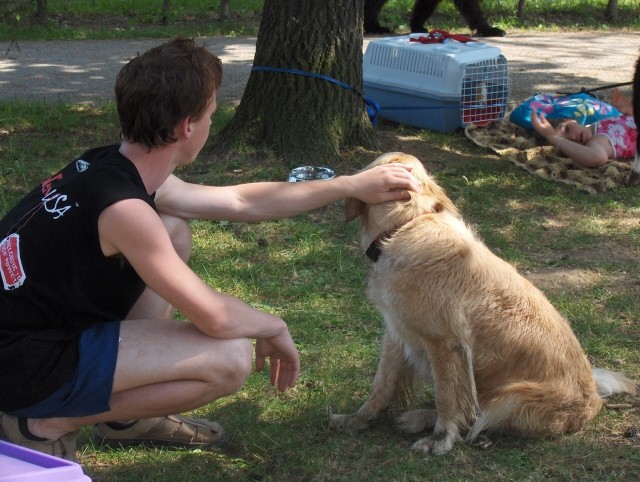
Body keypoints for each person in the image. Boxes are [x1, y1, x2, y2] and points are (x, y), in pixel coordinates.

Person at [0, 37, 422, 461]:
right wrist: (272, 325)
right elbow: (215, 318)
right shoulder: (124, 210)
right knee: (230, 357)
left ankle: (127, 419)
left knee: (173, 229)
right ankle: (44, 422)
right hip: (25, 365)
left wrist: (349, 185)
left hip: (29, 335)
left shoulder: (109, 165)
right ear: (187, 126)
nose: (210, 124)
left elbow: (242, 201)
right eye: (211, 115)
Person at [531, 89, 637, 168]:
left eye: (566, 129)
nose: (572, 138)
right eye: (567, 142)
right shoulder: (597, 141)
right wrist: (554, 138)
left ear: (571, 120)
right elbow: (596, 158)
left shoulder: (599, 124)